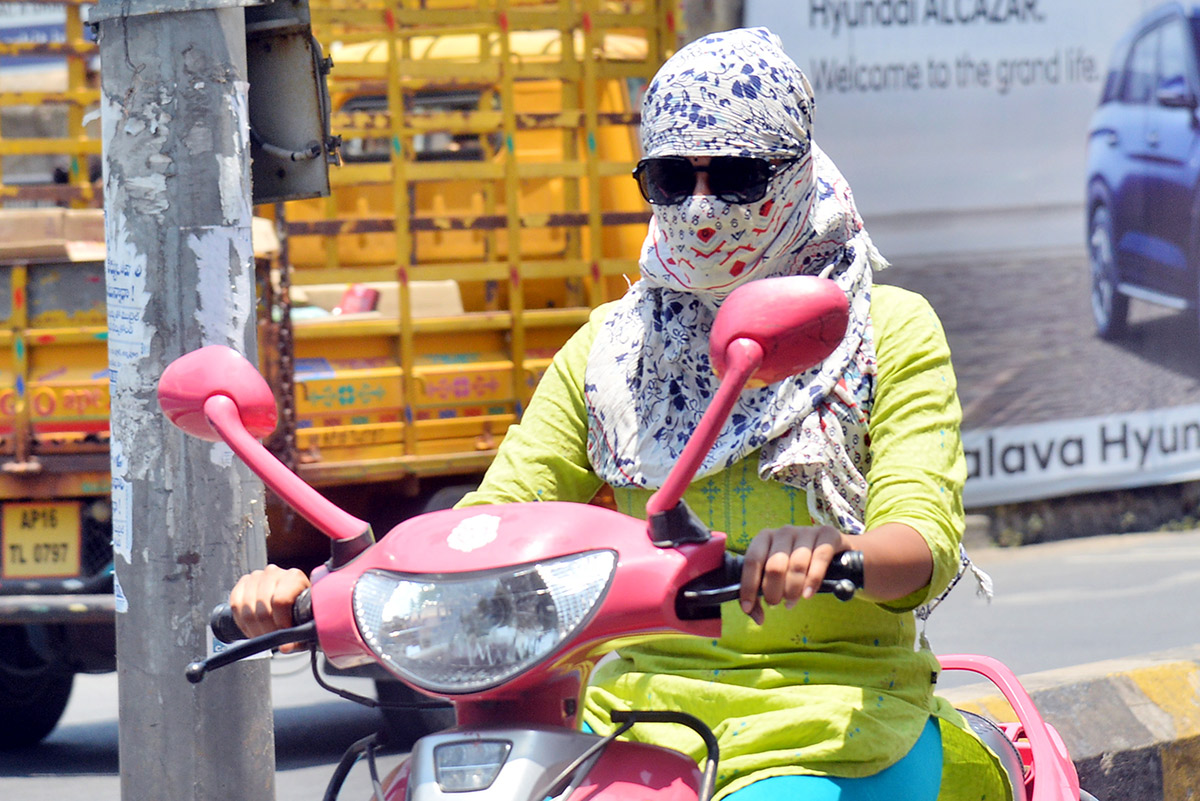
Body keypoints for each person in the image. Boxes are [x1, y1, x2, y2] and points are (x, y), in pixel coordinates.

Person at [230, 27, 1012, 801]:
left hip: (829, 721)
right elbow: (492, 519)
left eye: (736, 176)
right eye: (674, 177)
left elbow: (924, 539)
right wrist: (312, 586)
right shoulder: (610, 350)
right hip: (627, 727)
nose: (703, 209)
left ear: (798, 172)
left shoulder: (883, 329)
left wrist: (837, 551)